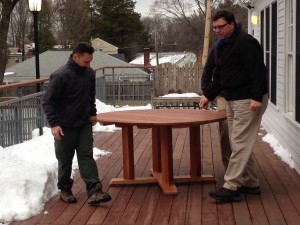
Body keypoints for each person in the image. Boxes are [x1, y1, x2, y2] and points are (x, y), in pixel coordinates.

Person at [199, 11, 268, 202]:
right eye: (214, 28)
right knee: (237, 142)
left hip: (248, 99)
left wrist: (256, 97)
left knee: (238, 142)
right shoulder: (221, 46)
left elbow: (259, 71)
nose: (217, 31)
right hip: (231, 99)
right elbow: (219, 76)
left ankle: (231, 186)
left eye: (221, 26)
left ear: (232, 24)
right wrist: (208, 94)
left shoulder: (246, 42)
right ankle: (251, 183)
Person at [42, 42, 111, 205]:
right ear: (75, 57)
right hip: (64, 126)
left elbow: (90, 95)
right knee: (65, 159)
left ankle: (95, 191)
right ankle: (65, 189)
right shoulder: (60, 76)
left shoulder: (89, 74)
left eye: (90, 61)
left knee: (86, 156)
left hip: (83, 123)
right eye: (86, 61)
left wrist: (93, 113)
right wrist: (54, 124)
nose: (89, 65)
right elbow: (47, 102)